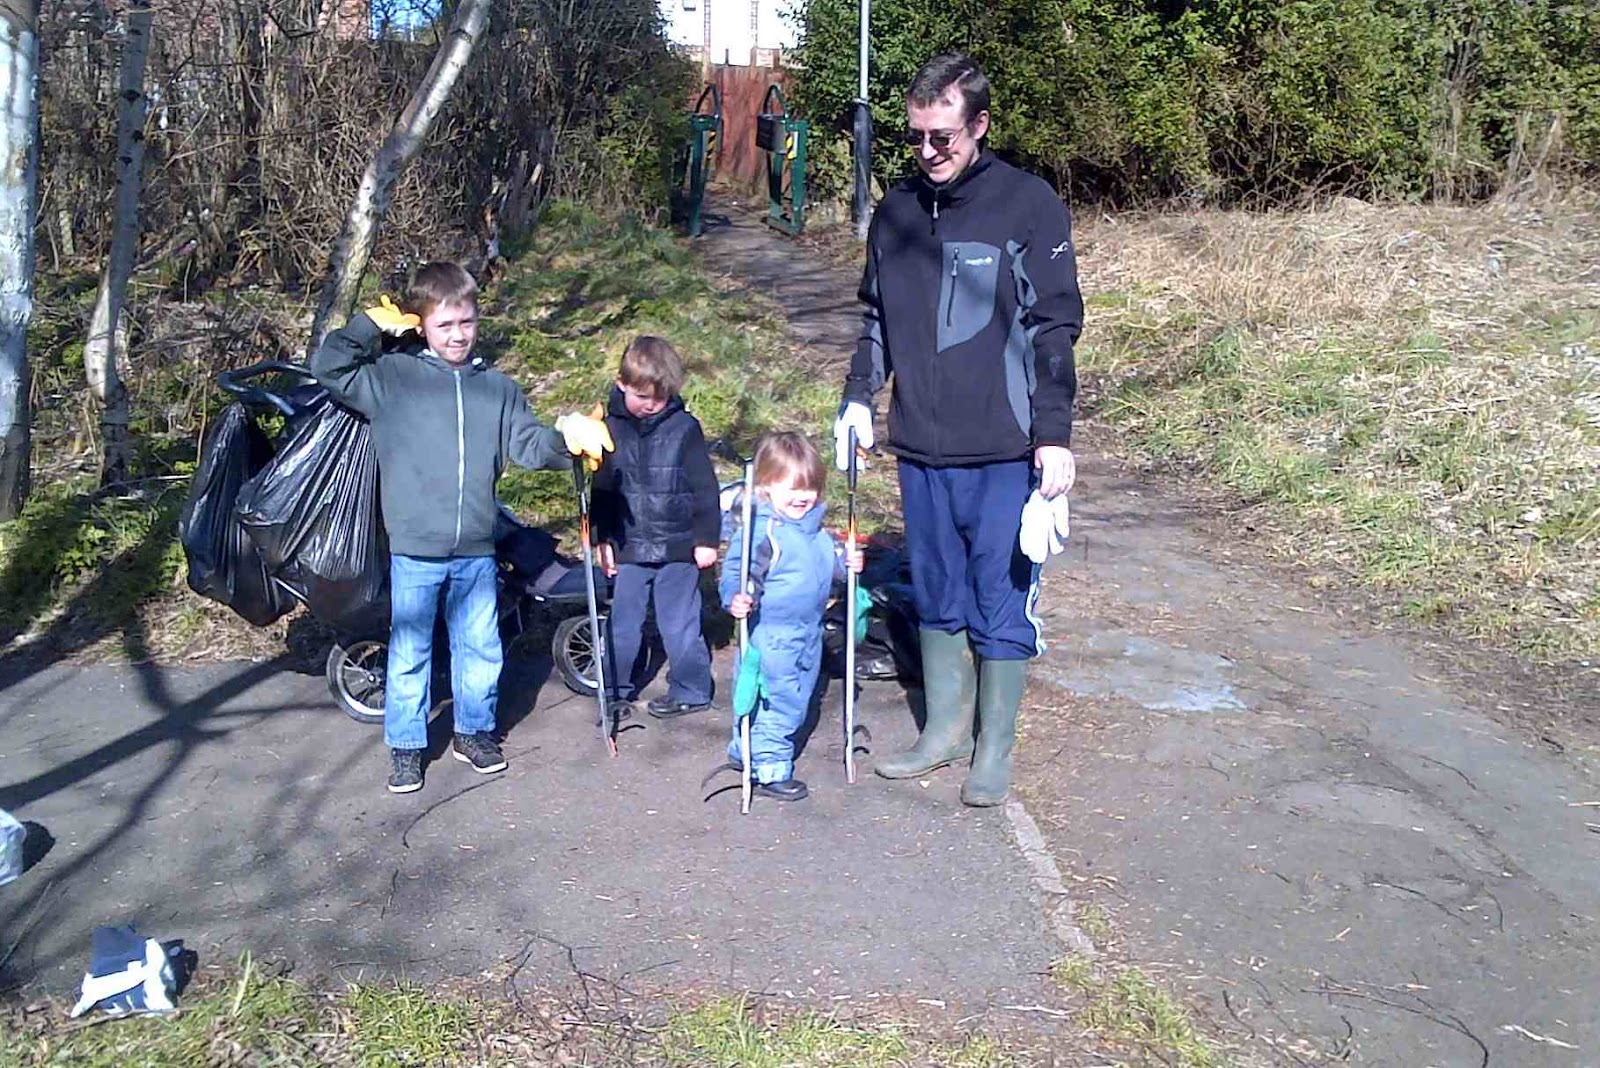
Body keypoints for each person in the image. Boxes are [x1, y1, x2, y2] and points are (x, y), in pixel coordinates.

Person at [835, 53, 1083, 807]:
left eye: (943, 137)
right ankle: (944, 731)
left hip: (1005, 450)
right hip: (922, 448)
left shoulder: (1026, 204)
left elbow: (1054, 326)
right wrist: (857, 397)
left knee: (998, 598)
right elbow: (876, 316)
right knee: (938, 592)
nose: (928, 152)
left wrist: (1054, 435)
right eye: (916, 137)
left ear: (978, 125)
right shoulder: (898, 211)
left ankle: (992, 750)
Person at [311, 262, 613, 794]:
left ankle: (473, 732)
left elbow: (526, 444)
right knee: (410, 653)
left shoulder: (497, 389)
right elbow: (329, 369)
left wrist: (568, 441)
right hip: (413, 549)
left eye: (467, 323)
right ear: (422, 323)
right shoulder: (391, 381)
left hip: (476, 547)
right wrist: (365, 327)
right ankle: (406, 748)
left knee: (481, 648)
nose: (457, 335)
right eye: (445, 324)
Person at [721, 432, 863, 801]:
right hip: (772, 635)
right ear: (766, 486)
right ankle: (769, 767)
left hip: (808, 634)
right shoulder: (762, 531)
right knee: (780, 701)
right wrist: (735, 598)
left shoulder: (816, 533)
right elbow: (740, 570)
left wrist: (848, 565)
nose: (802, 496)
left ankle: (746, 749)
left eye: (810, 488)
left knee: (796, 697)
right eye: (791, 488)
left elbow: (828, 570)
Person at [591, 336, 720, 721]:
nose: (650, 405)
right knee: (623, 624)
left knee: (679, 623)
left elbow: (704, 486)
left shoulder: (685, 429)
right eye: (641, 396)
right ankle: (615, 689)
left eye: (659, 398)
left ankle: (692, 689)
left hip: (677, 545)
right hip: (629, 545)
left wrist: (707, 539)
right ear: (621, 384)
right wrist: (603, 539)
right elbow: (602, 490)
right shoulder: (608, 429)